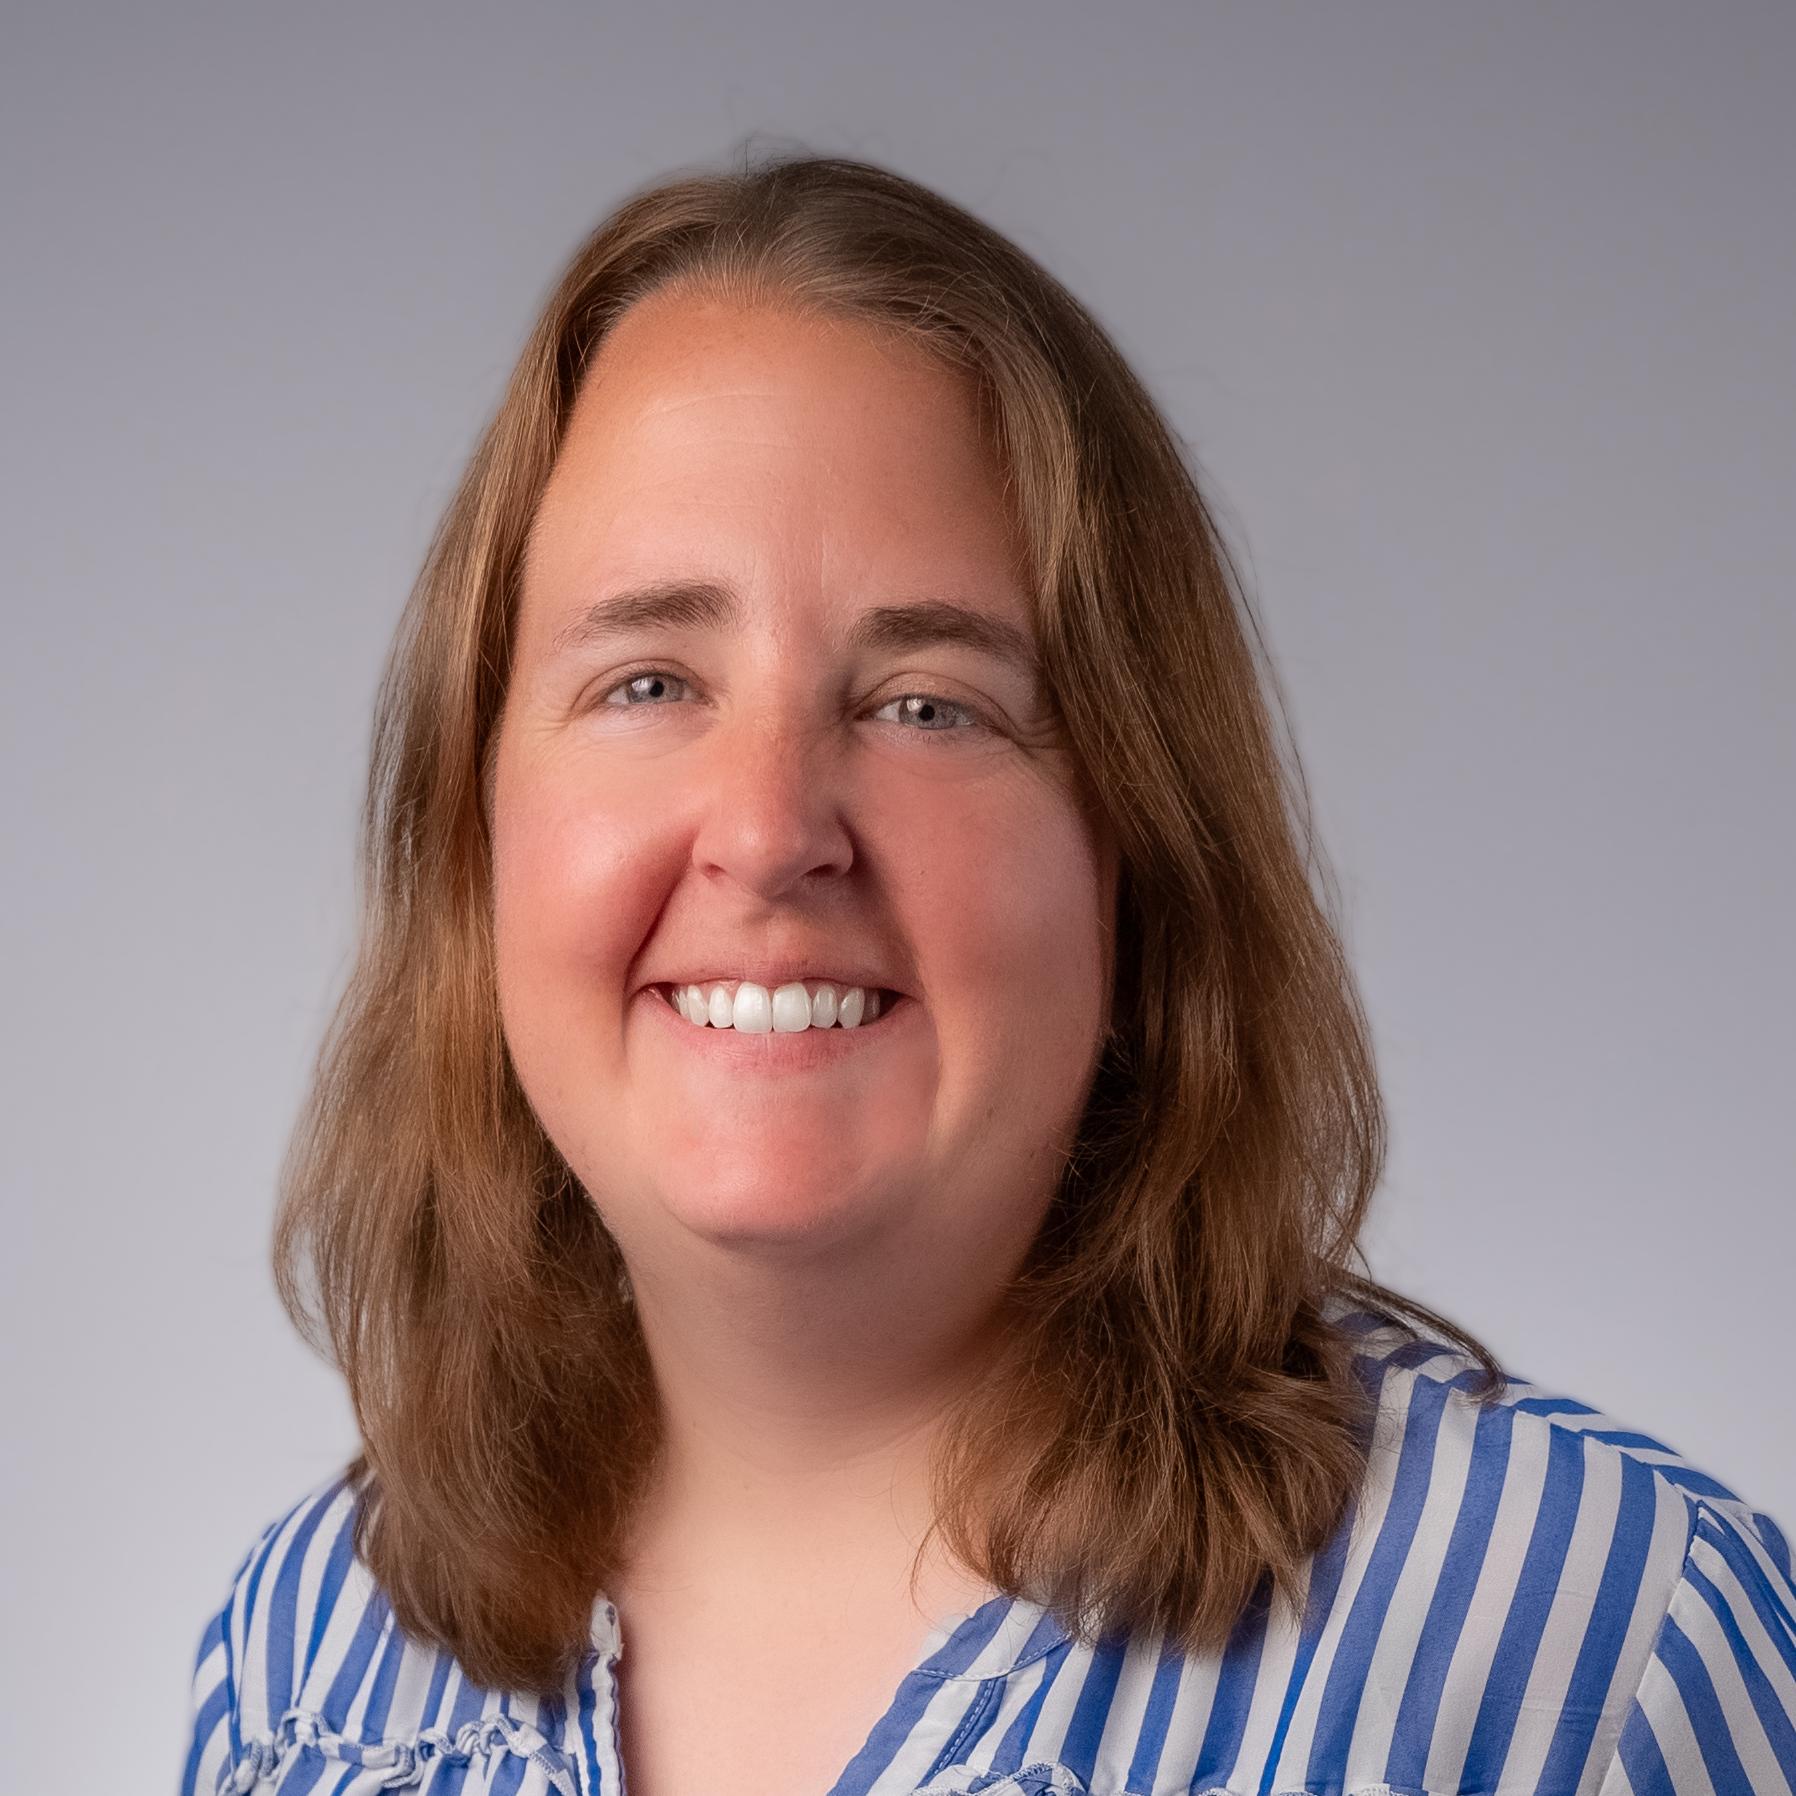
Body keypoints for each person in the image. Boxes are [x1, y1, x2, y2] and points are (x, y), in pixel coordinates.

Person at [178, 151, 1795, 1796]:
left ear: (1140, 850)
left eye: (929, 703)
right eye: (652, 679)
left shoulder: (1595, 1658)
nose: (767, 830)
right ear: (478, 831)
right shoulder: (306, 1666)